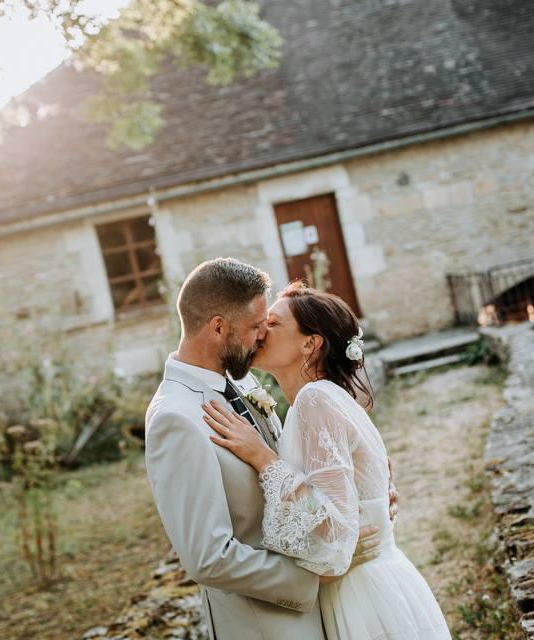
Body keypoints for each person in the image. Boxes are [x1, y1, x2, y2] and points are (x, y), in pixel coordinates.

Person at [144, 258, 397, 640]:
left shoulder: (240, 385)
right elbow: (209, 559)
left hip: (324, 614)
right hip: (266, 627)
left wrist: (360, 496)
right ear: (217, 328)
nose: (261, 336)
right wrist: (317, 574)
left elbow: (291, 471)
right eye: (254, 327)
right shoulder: (175, 419)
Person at [201, 281, 451, 640]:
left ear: (310, 343)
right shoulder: (323, 399)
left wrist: (262, 457)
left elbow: (334, 532)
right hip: (376, 583)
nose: (259, 333)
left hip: (363, 597)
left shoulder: (315, 400)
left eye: (272, 325)